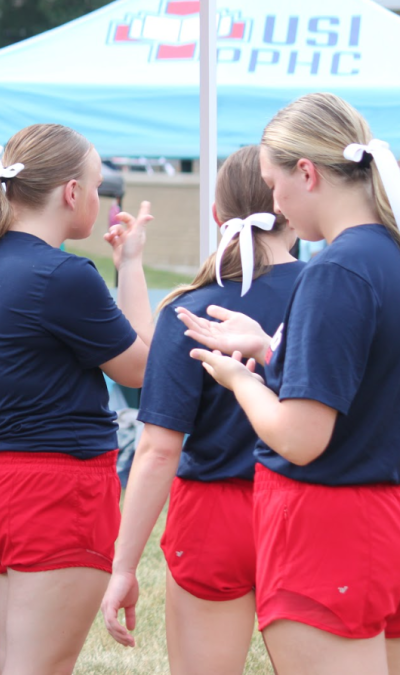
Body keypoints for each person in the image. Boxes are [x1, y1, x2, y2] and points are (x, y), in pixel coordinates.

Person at [181, 93, 400, 674]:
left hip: (327, 528)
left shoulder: (336, 271)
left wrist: (238, 378)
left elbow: (301, 437)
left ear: (307, 173)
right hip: (383, 516)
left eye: (273, 183)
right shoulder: (388, 256)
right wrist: (273, 349)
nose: (273, 201)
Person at [0, 123, 153, 675]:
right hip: (57, 490)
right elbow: (143, 369)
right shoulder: (61, 275)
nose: (98, 200)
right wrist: (131, 267)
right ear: (69, 193)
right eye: (94, 186)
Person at [100, 145, 301, 674]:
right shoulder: (330, 293)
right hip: (306, 506)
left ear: (217, 216)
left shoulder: (191, 306)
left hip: (213, 516)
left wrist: (123, 564)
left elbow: (158, 451)